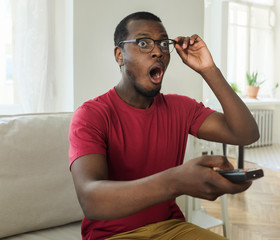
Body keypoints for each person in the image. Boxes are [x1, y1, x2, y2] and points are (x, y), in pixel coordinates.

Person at [69, 11, 259, 240]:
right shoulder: (91, 115)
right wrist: (176, 181)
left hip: (171, 228)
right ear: (119, 55)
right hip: (112, 236)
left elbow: (246, 133)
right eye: (143, 43)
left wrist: (209, 70)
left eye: (163, 44)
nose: (158, 51)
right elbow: (91, 201)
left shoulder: (181, 108)